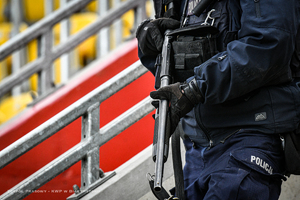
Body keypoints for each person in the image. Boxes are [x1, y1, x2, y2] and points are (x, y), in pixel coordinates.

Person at [136, 0, 300, 199]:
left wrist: (194, 89)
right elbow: (178, 65)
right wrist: (149, 40)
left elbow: (267, 47)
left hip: (248, 138)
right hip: (198, 147)